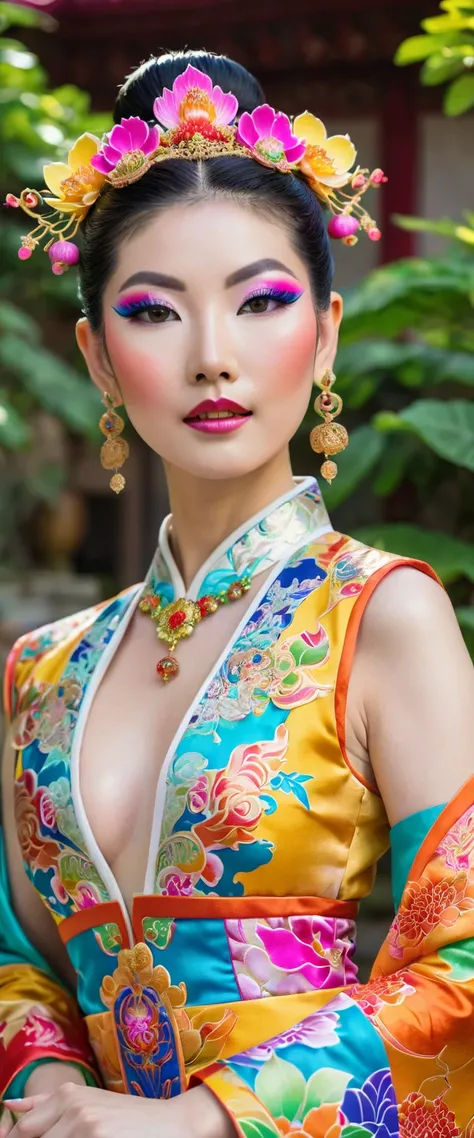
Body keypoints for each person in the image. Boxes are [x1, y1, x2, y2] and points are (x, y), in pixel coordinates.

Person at [1, 48, 473, 1138]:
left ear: (328, 332)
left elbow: (466, 965)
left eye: (260, 302)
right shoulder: (46, 671)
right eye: (155, 313)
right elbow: (19, 963)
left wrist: (205, 1118)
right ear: (99, 358)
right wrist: (45, 1089)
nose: (215, 356)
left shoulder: (383, 616)